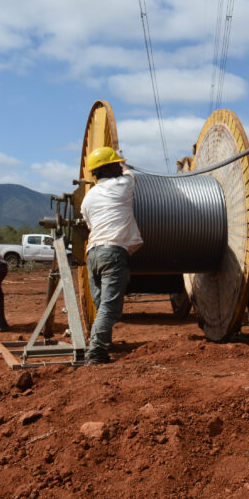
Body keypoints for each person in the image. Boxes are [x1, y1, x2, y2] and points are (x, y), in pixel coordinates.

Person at [80, 146, 143, 365]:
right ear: (106, 170)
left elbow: (90, 224)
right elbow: (129, 175)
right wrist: (125, 165)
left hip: (93, 254)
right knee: (109, 307)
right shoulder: (122, 185)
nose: (119, 165)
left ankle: (102, 342)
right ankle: (96, 353)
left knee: (101, 304)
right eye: (115, 163)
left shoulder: (88, 198)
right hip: (113, 253)